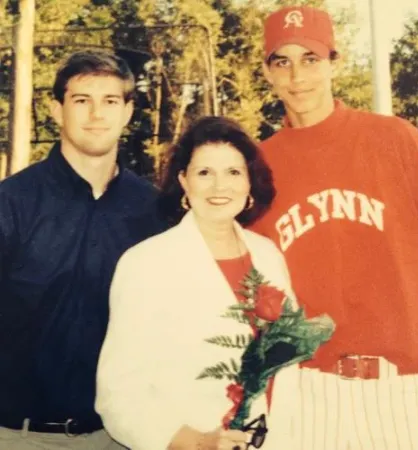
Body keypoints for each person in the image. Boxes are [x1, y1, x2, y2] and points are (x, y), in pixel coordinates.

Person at [249, 4, 418, 449]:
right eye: (282, 61)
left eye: (311, 59)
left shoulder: (394, 139)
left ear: (334, 63)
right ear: (267, 72)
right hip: (308, 390)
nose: (297, 76)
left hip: (407, 387)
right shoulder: (260, 163)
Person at [95, 116, 301, 450]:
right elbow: (119, 395)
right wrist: (198, 443)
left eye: (233, 172)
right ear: (184, 182)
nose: (220, 187)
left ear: (250, 183)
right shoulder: (146, 263)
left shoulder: (269, 256)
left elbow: (288, 368)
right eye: (205, 173)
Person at [0, 50, 166, 449]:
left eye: (110, 101)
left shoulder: (156, 212)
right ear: (56, 110)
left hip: (124, 437)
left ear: (127, 112)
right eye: (81, 101)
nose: (96, 114)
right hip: (20, 435)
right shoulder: (12, 203)